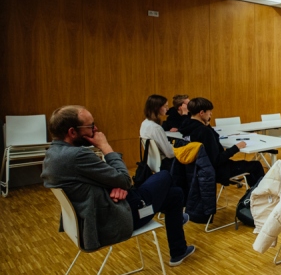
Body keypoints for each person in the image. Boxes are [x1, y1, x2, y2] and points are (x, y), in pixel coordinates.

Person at [41, 105, 195, 266]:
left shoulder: (53, 154)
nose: (96, 129)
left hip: (100, 212)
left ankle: (179, 248)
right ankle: (178, 246)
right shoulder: (77, 156)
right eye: (91, 126)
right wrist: (105, 147)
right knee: (165, 176)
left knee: (174, 194)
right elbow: (124, 179)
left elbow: (110, 180)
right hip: (122, 217)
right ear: (72, 132)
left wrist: (117, 185)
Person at [178, 97, 264, 188]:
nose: (211, 114)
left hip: (198, 170)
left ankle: (253, 195)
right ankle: (260, 196)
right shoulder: (204, 132)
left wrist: (207, 125)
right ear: (202, 113)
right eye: (209, 112)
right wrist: (236, 147)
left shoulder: (187, 128)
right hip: (217, 170)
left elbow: (214, 137)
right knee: (256, 165)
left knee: (249, 166)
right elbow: (217, 160)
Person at [140, 94, 176, 171]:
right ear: (157, 108)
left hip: (152, 162)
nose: (167, 109)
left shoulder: (144, 123)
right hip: (165, 164)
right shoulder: (156, 128)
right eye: (165, 106)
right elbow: (170, 154)